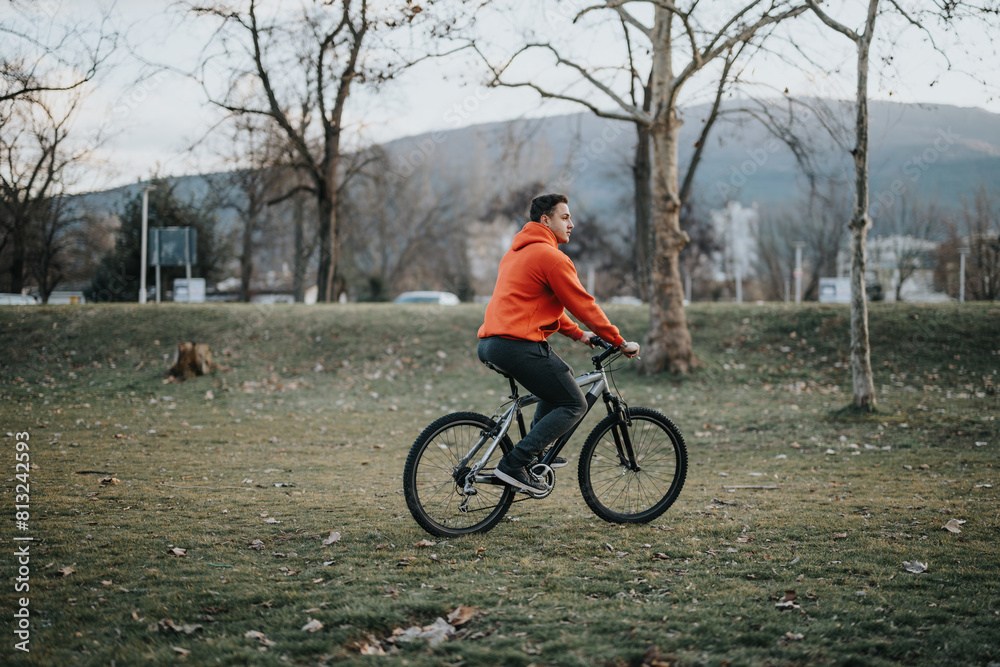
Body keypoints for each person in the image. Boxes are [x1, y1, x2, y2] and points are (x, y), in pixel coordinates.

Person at [478, 193, 640, 494]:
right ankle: (515, 463)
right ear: (545, 220)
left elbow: (540, 304)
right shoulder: (550, 257)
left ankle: (534, 455)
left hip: (491, 342)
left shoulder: (516, 253)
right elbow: (583, 304)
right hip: (517, 344)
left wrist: (580, 335)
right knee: (574, 402)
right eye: (565, 217)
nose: (572, 224)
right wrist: (617, 340)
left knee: (556, 387)